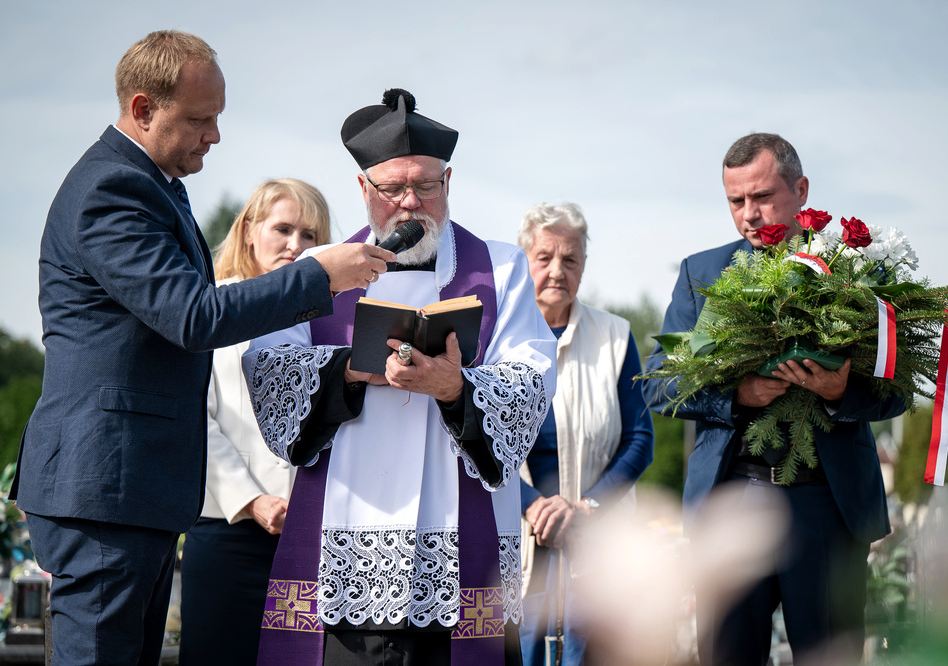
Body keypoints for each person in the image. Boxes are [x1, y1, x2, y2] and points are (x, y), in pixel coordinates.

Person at [8, 31, 393, 665]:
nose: (214, 135)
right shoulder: (114, 189)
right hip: (107, 488)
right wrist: (318, 276)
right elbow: (192, 316)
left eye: (217, 117)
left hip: (137, 490)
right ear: (142, 109)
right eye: (198, 119)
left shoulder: (155, 184)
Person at [241, 88, 557, 666]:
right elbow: (269, 369)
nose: (410, 203)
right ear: (364, 189)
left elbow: (531, 382)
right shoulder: (318, 271)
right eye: (392, 189)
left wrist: (455, 387)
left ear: (448, 181)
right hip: (344, 556)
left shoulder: (501, 269)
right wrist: (353, 368)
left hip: (460, 557)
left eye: (426, 185)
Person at [641, 133, 906, 666]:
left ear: (801, 190)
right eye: (736, 201)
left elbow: (897, 388)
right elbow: (657, 383)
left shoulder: (857, 271)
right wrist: (736, 395)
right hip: (731, 502)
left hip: (828, 505)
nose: (749, 215)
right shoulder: (700, 274)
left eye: (762, 197)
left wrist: (841, 392)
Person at [178, 178, 333, 665]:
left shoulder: (331, 321)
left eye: (310, 235)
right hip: (227, 532)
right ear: (249, 231)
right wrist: (251, 500)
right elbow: (193, 416)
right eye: (283, 229)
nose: (296, 245)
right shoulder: (214, 305)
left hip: (312, 538)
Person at [515, 203, 654, 666]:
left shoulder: (616, 336)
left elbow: (640, 440)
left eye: (570, 259)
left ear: (584, 264)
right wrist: (532, 504)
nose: (557, 270)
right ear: (523, 259)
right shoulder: (495, 336)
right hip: (519, 538)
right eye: (544, 257)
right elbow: (474, 441)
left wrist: (586, 507)